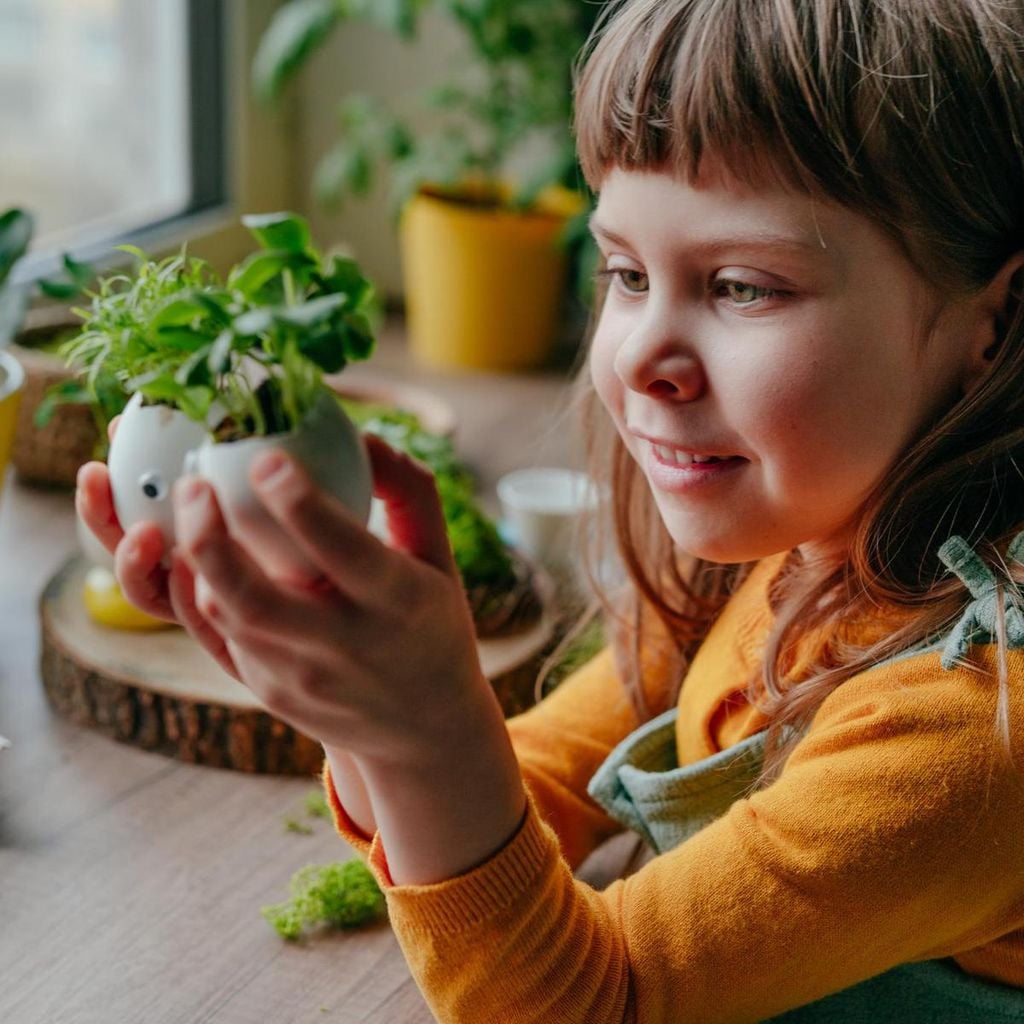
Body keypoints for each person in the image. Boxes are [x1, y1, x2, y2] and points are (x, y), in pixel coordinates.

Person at [77, 0, 1024, 1019]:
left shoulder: (972, 732)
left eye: (742, 286)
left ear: (996, 317)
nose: (637, 358)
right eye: (624, 272)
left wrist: (426, 732)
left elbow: (588, 1002)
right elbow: (531, 781)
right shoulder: (791, 542)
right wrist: (363, 708)